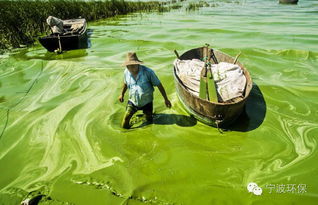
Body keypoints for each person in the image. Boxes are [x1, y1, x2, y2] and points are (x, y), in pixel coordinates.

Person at [118, 52, 172, 129]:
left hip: (147, 102)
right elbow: (125, 83)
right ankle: (126, 133)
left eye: (133, 66)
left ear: (138, 64)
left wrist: (166, 99)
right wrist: (122, 94)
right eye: (128, 66)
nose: (131, 69)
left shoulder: (148, 72)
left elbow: (159, 85)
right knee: (126, 119)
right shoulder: (126, 72)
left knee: (149, 120)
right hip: (133, 101)